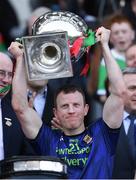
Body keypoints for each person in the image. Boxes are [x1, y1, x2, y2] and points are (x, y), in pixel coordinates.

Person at [8, 26, 127, 179]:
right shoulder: (48, 139)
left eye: (76, 105)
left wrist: (104, 45)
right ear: (55, 112)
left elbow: (119, 92)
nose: (71, 110)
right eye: (64, 106)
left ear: (86, 109)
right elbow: (20, 108)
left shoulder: (103, 134)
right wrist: (19, 59)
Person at [0, 52, 35, 160]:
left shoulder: (17, 113)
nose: (6, 80)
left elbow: (30, 154)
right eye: (1, 73)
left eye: (10, 75)